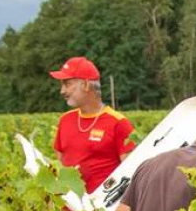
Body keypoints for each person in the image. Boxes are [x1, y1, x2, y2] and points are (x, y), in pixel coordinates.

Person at [50, 56, 136, 193]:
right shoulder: (65, 120)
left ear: (85, 85)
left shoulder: (118, 123)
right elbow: (60, 163)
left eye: (67, 84)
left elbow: (131, 174)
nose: (62, 91)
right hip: (67, 210)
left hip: (101, 210)